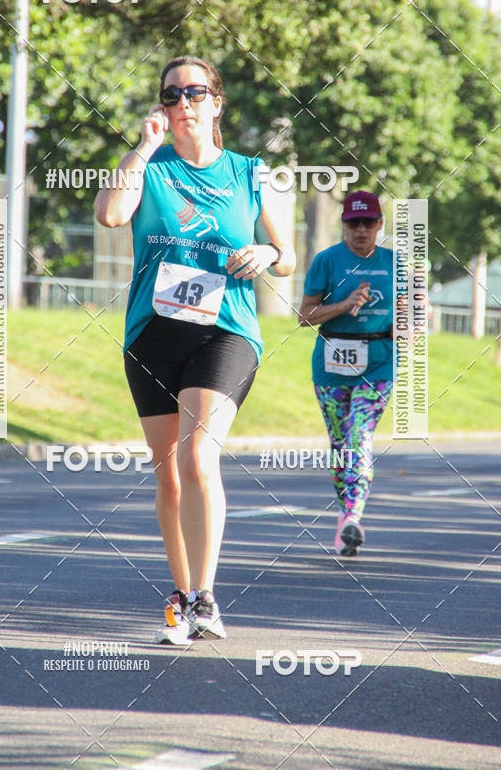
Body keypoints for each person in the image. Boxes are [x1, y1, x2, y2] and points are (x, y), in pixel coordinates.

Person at [95, 56, 295, 643]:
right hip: (153, 333)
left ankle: (206, 597)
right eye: (171, 94)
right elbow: (110, 214)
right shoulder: (149, 167)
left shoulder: (252, 173)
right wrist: (141, 148)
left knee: (197, 457)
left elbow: (287, 256)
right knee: (169, 475)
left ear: (217, 103)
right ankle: (182, 596)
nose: (183, 102)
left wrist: (267, 253)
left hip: (226, 330)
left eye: (196, 92)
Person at [297, 190, 394, 557]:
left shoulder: (396, 265)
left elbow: (412, 315)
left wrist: (411, 324)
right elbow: (304, 316)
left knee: (358, 434)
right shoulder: (327, 261)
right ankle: (344, 516)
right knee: (340, 446)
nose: (361, 230)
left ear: (379, 224)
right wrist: (344, 305)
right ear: (343, 225)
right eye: (354, 223)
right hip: (332, 364)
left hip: (379, 364)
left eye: (368, 223)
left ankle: (354, 515)